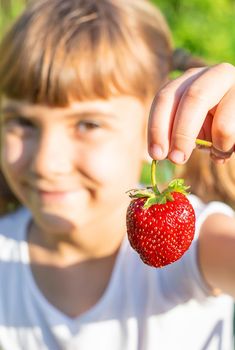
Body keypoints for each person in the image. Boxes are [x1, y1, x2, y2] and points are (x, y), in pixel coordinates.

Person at [0, 0, 234, 349]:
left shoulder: (200, 246)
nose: (46, 163)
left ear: (157, 126)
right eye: (22, 122)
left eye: (88, 124)